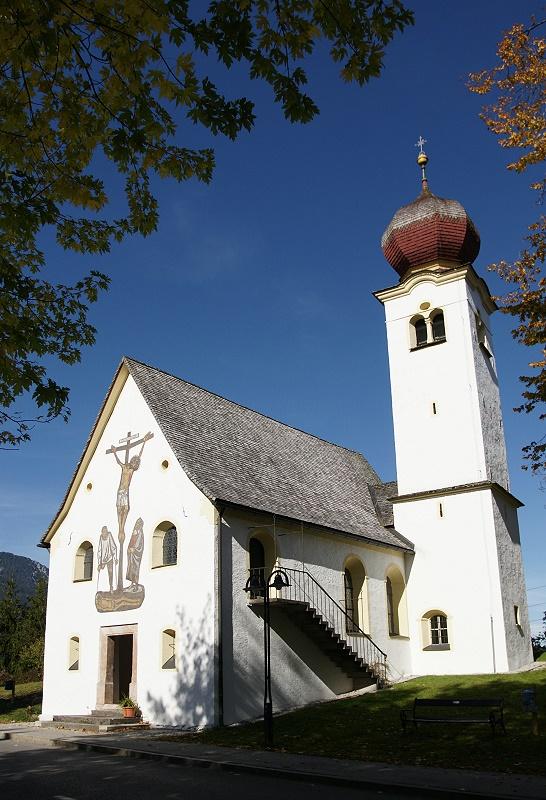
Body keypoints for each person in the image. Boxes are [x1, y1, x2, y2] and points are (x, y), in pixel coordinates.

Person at [97, 526, 118, 592]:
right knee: (102, 571)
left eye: (105, 531)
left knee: (110, 572)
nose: (104, 533)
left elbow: (114, 547)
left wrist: (115, 558)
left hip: (109, 558)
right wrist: (99, 563)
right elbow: (99, 550)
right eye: (103, 532)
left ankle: (111, 586)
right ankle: (101, 589)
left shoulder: (109, 536)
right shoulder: (101, 538)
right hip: (103, 559)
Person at [126, 517, 144, 590]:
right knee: (131, 568)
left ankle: (136, 584)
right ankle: (132, 583)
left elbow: (140, 545)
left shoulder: (140, 533)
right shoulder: (134, 532)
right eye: (137, 523)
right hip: (131, 553)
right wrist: (129, 548)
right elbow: (131, 541)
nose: (137, 525)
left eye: (139, 524)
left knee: (136, 568)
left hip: (136, 555)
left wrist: (135, 549)